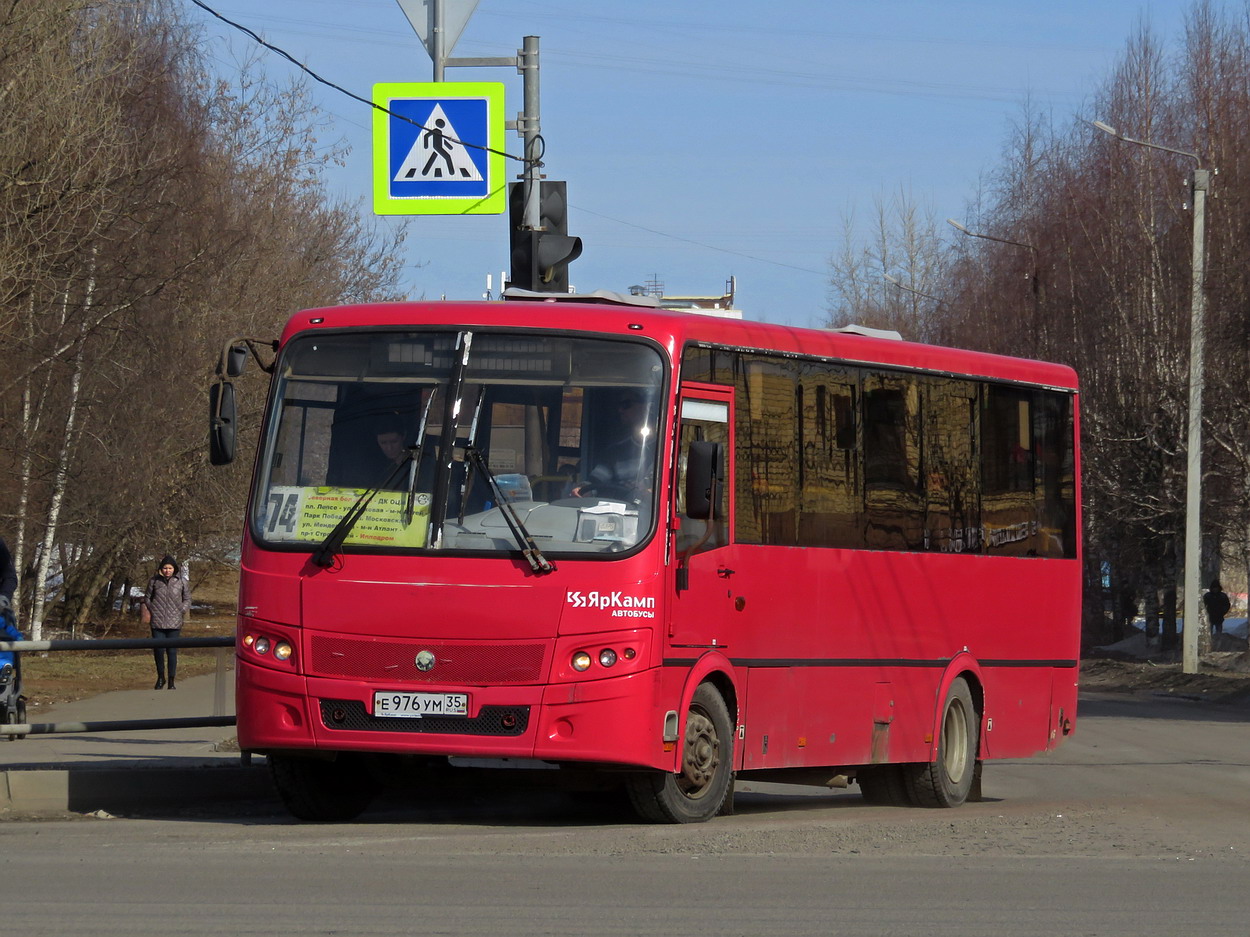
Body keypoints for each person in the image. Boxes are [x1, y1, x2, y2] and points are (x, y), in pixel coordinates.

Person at [573, 393, 655, 499]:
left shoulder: (668, 451)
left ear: (647, 406)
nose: (620, 410)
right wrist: (582, 489)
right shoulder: (616, 452)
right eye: (619, 406)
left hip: (651, 513)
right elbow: (595, 480)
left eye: (626, 405)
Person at [142, 555, 190, 690]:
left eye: (169, 568)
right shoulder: (154, 581)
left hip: (174, 622)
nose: (167, 570)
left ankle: (171, 680)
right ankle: (160, 677)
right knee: (158, 650)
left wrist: (182, 609)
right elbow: (147, 598)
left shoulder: (181, 582)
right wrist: (153, 609)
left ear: (174, 569)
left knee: (172, 651)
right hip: (157, 622)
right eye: (165, 568)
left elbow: (187, 599)